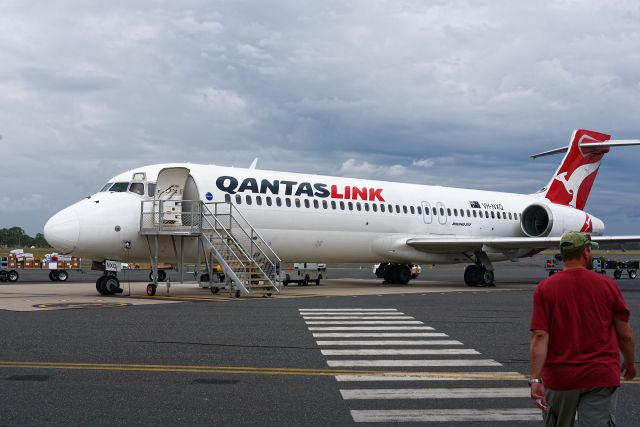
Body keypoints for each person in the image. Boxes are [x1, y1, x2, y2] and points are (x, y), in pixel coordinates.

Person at [529, 231, 636, 426]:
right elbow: (625, 333)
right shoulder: (607, 285)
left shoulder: (545, 288)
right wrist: (629, 363)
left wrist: (535, 379)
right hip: (600, 376)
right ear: (586, 252)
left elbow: (540, 335)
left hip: (561, 378)